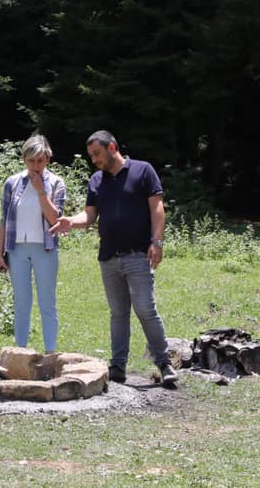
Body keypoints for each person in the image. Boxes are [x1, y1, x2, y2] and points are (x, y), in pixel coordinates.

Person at [51, 130, 178, 387]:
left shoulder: (143, 170)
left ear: (111, 148)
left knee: (145, 308)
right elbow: (89, 216)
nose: (94, 160)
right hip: (108, 257)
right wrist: (70, 221)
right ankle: (118, 366)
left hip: (138, 254)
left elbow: (157, 207)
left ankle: (164, 363)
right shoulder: (97, 180)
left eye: (96, 154)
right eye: (91, 156)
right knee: (118, 313)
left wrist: (157, 242)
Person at [0, 135, 66, 353]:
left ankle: (50, 352)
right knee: (21, 302)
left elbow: (55, 219)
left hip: (45, 248)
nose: (36, 166)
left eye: (40, 161)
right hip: (17, 250)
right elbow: (4, 220)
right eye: (31, 160)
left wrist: (41, 191)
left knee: (47, 302)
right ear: (24, 159)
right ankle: (20, 352)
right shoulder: (12, 182)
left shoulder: (56, 183)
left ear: (48, 159)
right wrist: (0, 254)